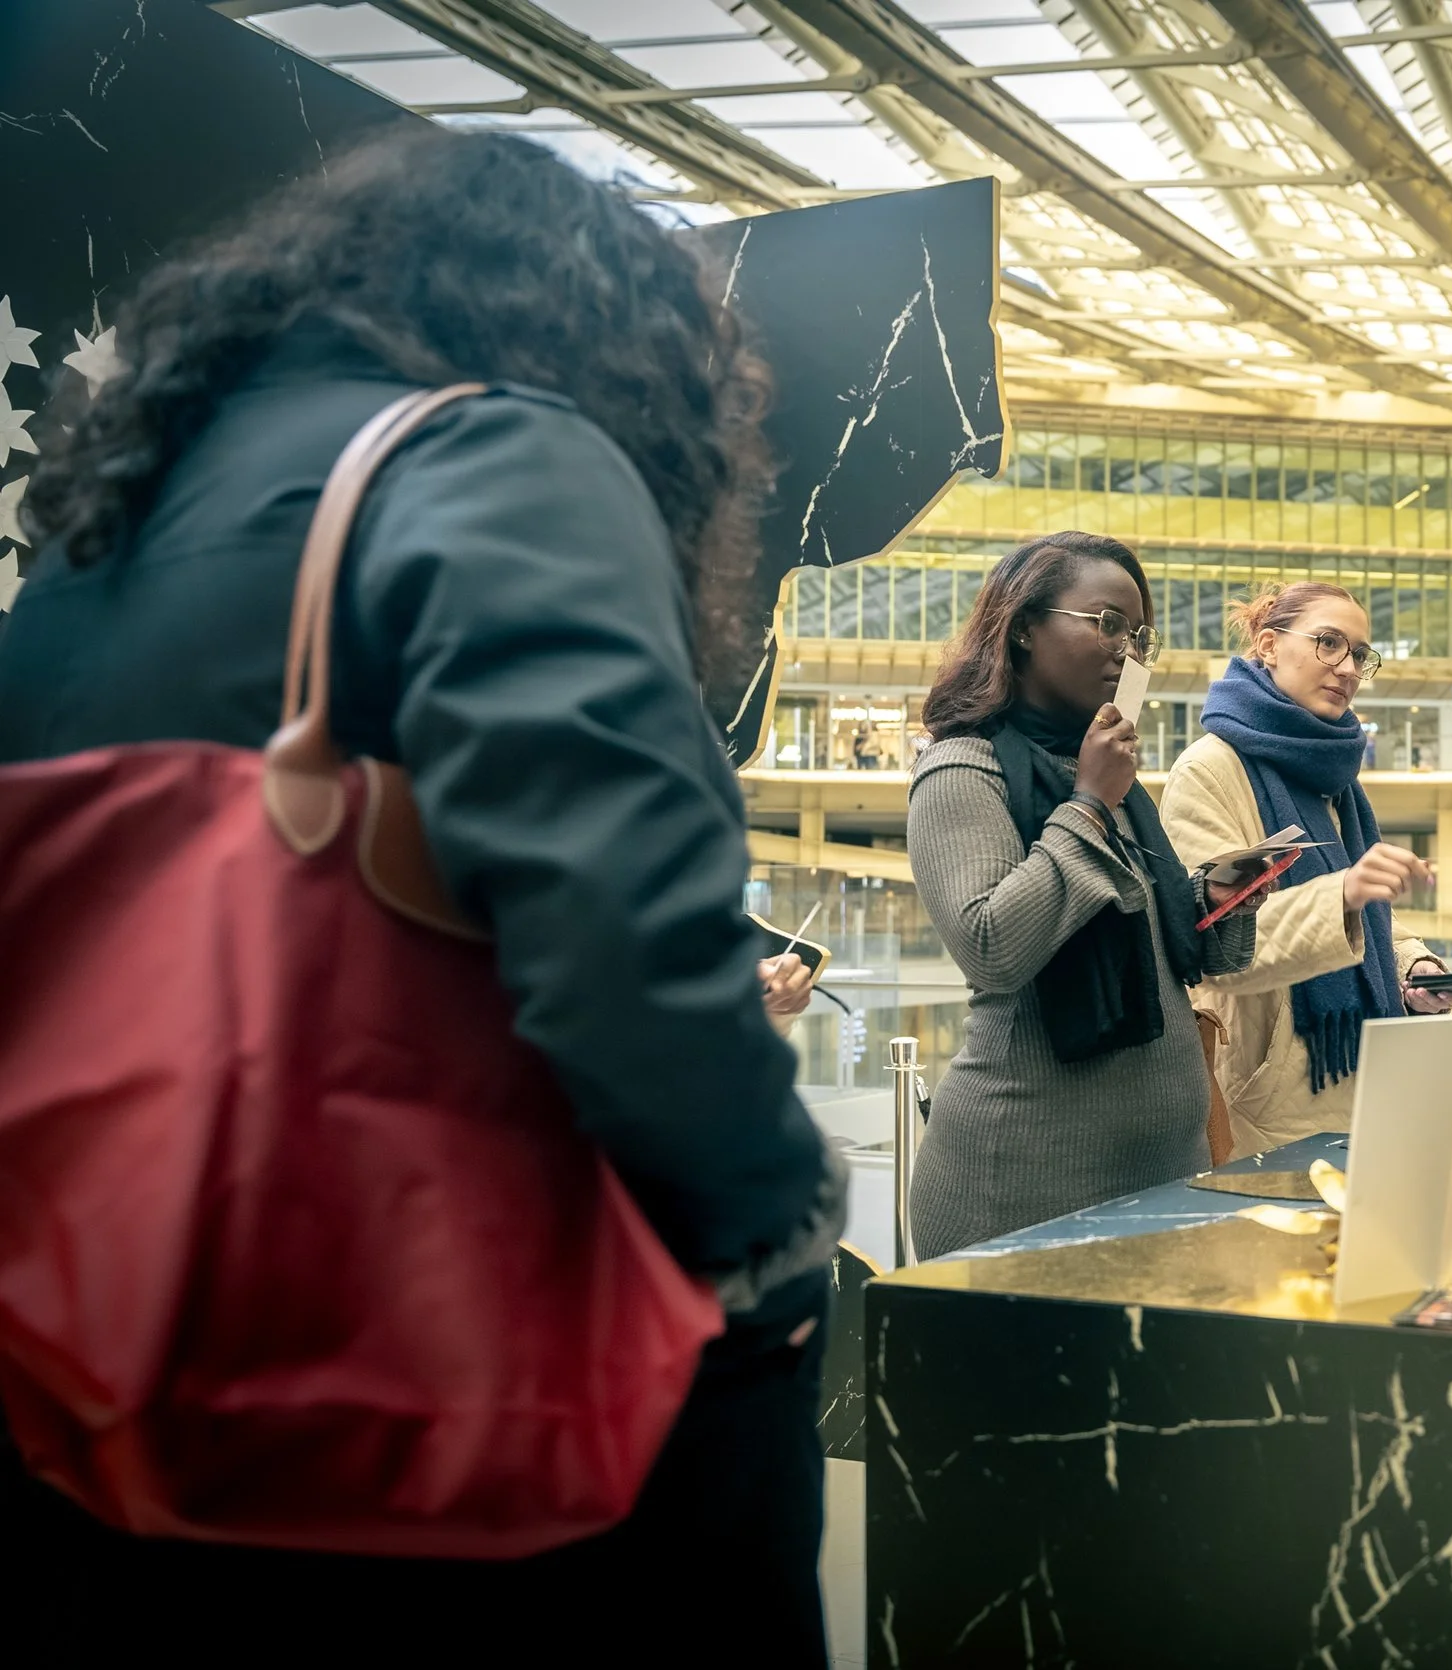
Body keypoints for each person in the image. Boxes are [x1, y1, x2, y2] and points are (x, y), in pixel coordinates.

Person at [0, 130, 841, 1662]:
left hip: (114, 1365)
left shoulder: (90, 544)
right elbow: (617, 883)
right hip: (442, 1380)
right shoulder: (495, 449)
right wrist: (767, 1226)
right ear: (599, 324)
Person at [907, 531, 1263, 1257]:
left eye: (1138, 635)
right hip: (1021, 1189)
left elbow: (1151, 938)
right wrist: (1091, 804)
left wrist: (1220, 895)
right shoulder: (961, 772)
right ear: (1026, 628)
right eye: (1106, 623)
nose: (1125, 649)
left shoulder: (1106, 777)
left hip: (1161, 1177)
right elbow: (992, 946)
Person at [1161, 584, 1448, 1156]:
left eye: (1360, 654)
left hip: (1363, 1088)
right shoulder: (1207, 771)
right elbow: (1216, 945)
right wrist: (1342, 891)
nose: (1347, 668)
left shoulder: (1334, 777)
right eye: (1328, 643)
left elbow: (1365, 917)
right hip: (1268, 1104)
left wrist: (1412, 964)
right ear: (1268, 645)